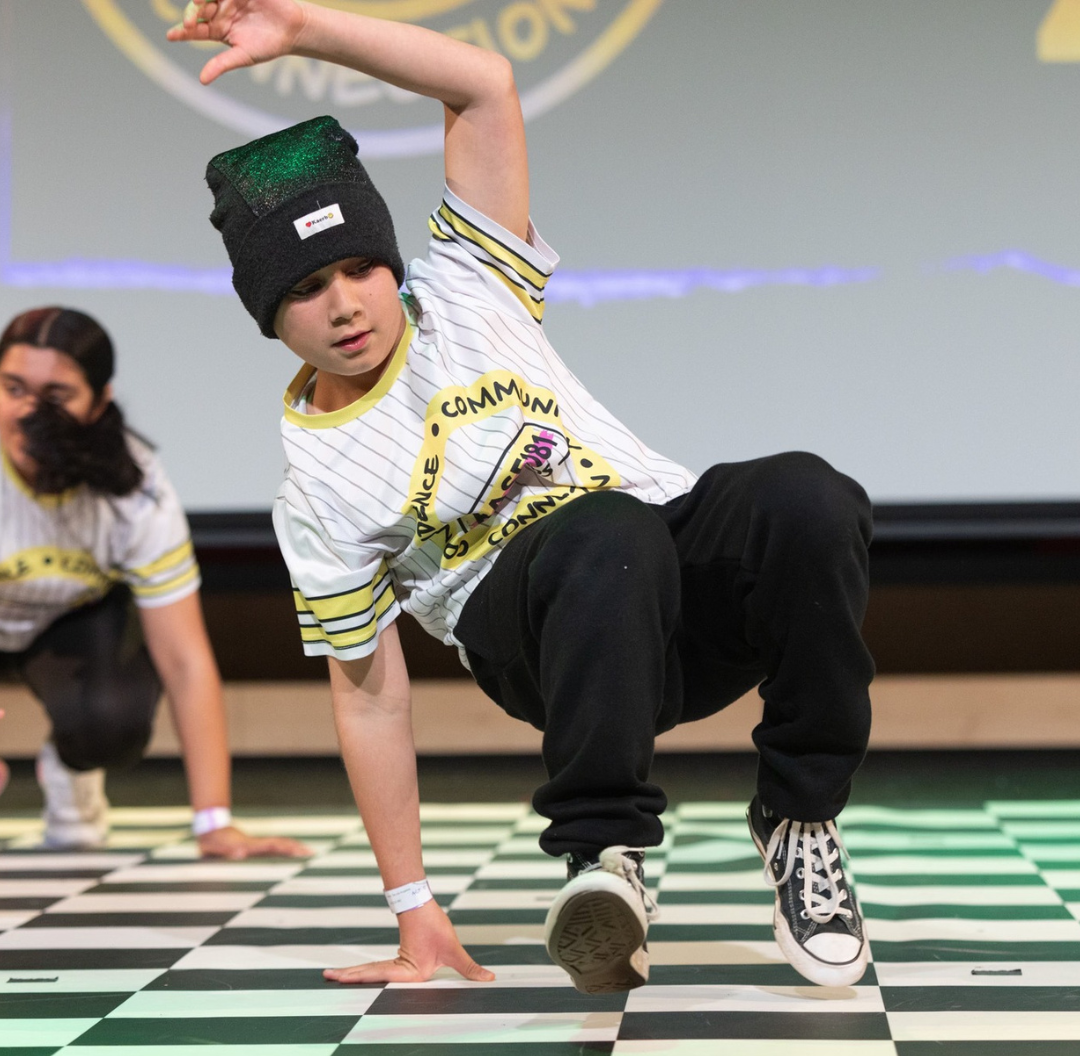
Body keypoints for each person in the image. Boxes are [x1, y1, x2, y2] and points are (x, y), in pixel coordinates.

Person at [169, 0, 875, 990]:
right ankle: (605, 859)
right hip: (545, 638)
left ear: (392, 263)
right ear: (266, 313)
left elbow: (484, 85)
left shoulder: (468, 286)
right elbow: (370, 703)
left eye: (362, 266)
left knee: (808, 496)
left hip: (671, 584)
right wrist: (414, 910)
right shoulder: (317, 486)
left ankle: (800, 818)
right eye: (305, 285)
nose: (345, 302)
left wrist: (304, 30)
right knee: (598, 531)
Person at [0, 306, 310, 860]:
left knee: (112, 721)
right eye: (12, 388)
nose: (28, 413)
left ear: (99, 402)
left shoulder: (134, 488)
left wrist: (214, 821)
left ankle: (73, 764)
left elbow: (185, 660)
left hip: (68, 621)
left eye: (56, 396)